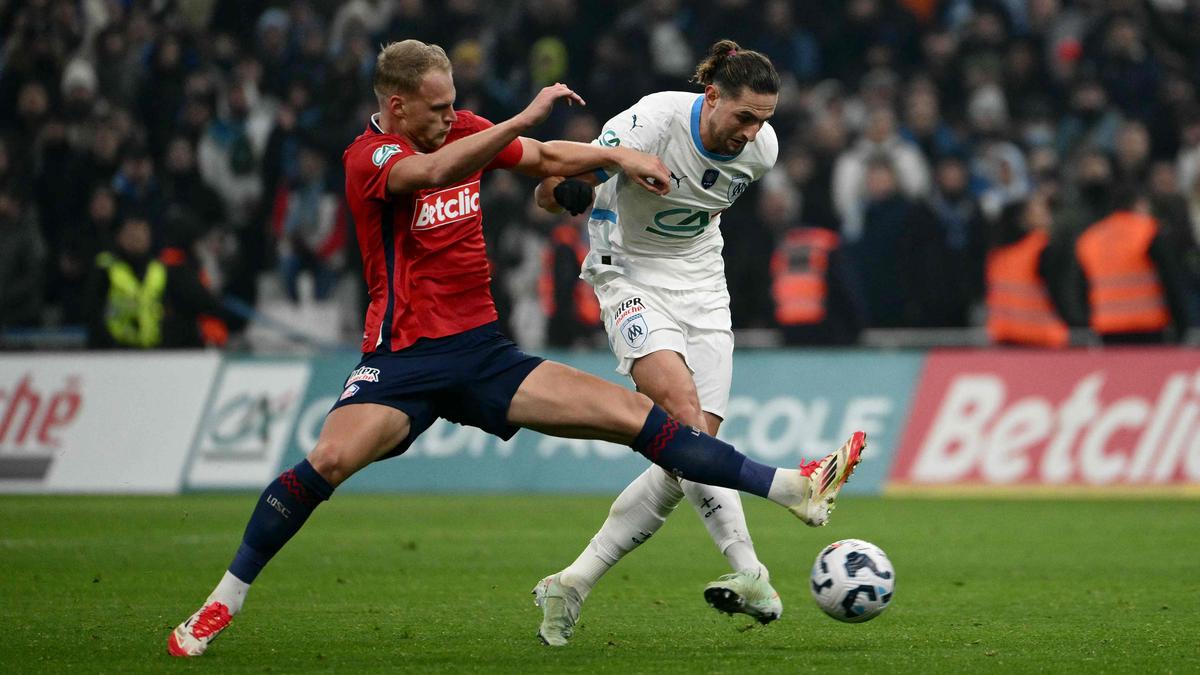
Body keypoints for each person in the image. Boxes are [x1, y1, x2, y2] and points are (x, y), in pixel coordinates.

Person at [168, 40, 866, 657]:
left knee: (647, 421)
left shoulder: (465, 130)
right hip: (401, 359)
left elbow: (544, 159)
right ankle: (224, 599)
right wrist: (520, 121)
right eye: (438, 108)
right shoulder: (370, 157)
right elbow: (432, 174)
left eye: (455, 104)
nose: (451, 117)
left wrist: (613, 156)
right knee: (328, 461)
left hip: (483, 355)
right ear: (396, 105)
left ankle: (790, 486)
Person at [529, 40, 864, 644]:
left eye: (763, 119)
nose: (752, 131)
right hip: (628, 276)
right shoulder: (652, 121)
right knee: (684, 421)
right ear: (711, 97)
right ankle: (762, 551)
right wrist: (573, 190)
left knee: (688, 453)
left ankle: (571, 582)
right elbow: (549, 191)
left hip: (704, 286)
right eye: (744, 116)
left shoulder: (762, 151)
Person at [1073, 188, 1191, 344]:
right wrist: (1183, 324)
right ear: (1138, 204)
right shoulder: (1148, 231)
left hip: (1107, 326)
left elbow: (1079, 287)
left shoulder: (1090, 237)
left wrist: (1083, 322)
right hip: (1148, 325)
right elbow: (1171, 280)